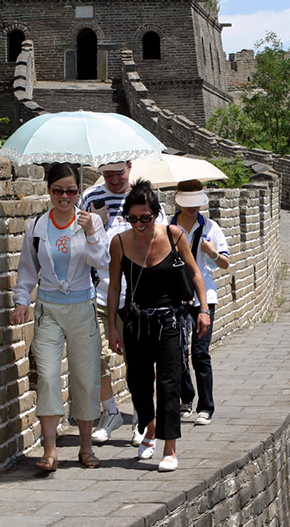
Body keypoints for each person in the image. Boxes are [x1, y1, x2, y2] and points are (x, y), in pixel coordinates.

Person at [10, 162, 109, 472]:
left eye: (71, 190)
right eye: (58, 190)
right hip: (49, 309)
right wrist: (22, 300)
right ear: (49, 191)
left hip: (82, 308)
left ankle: (86, 447)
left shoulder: (90, 221)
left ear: (78, 192)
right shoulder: (37, 226)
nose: (64, 196)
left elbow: (102, 261)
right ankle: (50, 449)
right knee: (49, 377)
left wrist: (91, 232)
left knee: (85, 377)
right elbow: (28, 268)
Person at [106, 180, 209, 472]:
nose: (139, 223)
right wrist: (113, 329)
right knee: (137, 383)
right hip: (136, 322)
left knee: (168, 383)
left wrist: (204, 310)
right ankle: (149, 427)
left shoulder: (174, 236)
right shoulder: (121, 243)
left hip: (169, 321)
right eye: (133, 218)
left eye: (145, 218)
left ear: (156, 215)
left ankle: (169, 447)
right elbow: (115, 287)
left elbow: (196, 274)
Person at [80, 160, 164, 446]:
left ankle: (142, 416)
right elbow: (82, 242)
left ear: (130, 167)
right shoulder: (91, 198)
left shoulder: (145, 199)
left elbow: (159, 241)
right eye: (107, 174)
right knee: (97, 358)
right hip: (99, 292)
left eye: (119, 173)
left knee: (137, 363)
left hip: (135, 298)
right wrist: (95, 225)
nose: (114, 179)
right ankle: (111, 411)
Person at [171, 180, 230, 426]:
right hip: (175, 296)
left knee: (200, 353)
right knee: (177, 352)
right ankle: (186, 398)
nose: (193, 208)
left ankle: (206, 407)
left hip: (205, 297)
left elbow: (225, 263)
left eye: (197, 204)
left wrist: (211, 252)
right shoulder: (167, 227)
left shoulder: (211, 227)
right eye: (188, 203)